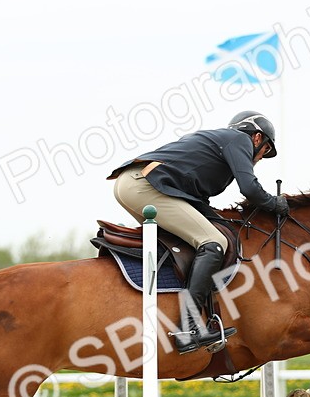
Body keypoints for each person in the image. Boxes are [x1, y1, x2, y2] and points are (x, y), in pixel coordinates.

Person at [108, 111, 288, 354]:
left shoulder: (219, 144)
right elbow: (250, 189)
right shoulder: (239, 140)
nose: (261, 158)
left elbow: (198, 202)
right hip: (144, 186)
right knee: (213, 242)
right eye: (265, 151)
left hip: (135, 183)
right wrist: (275, 204)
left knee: (197, 239)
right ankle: (188, 327)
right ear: (257, 138)